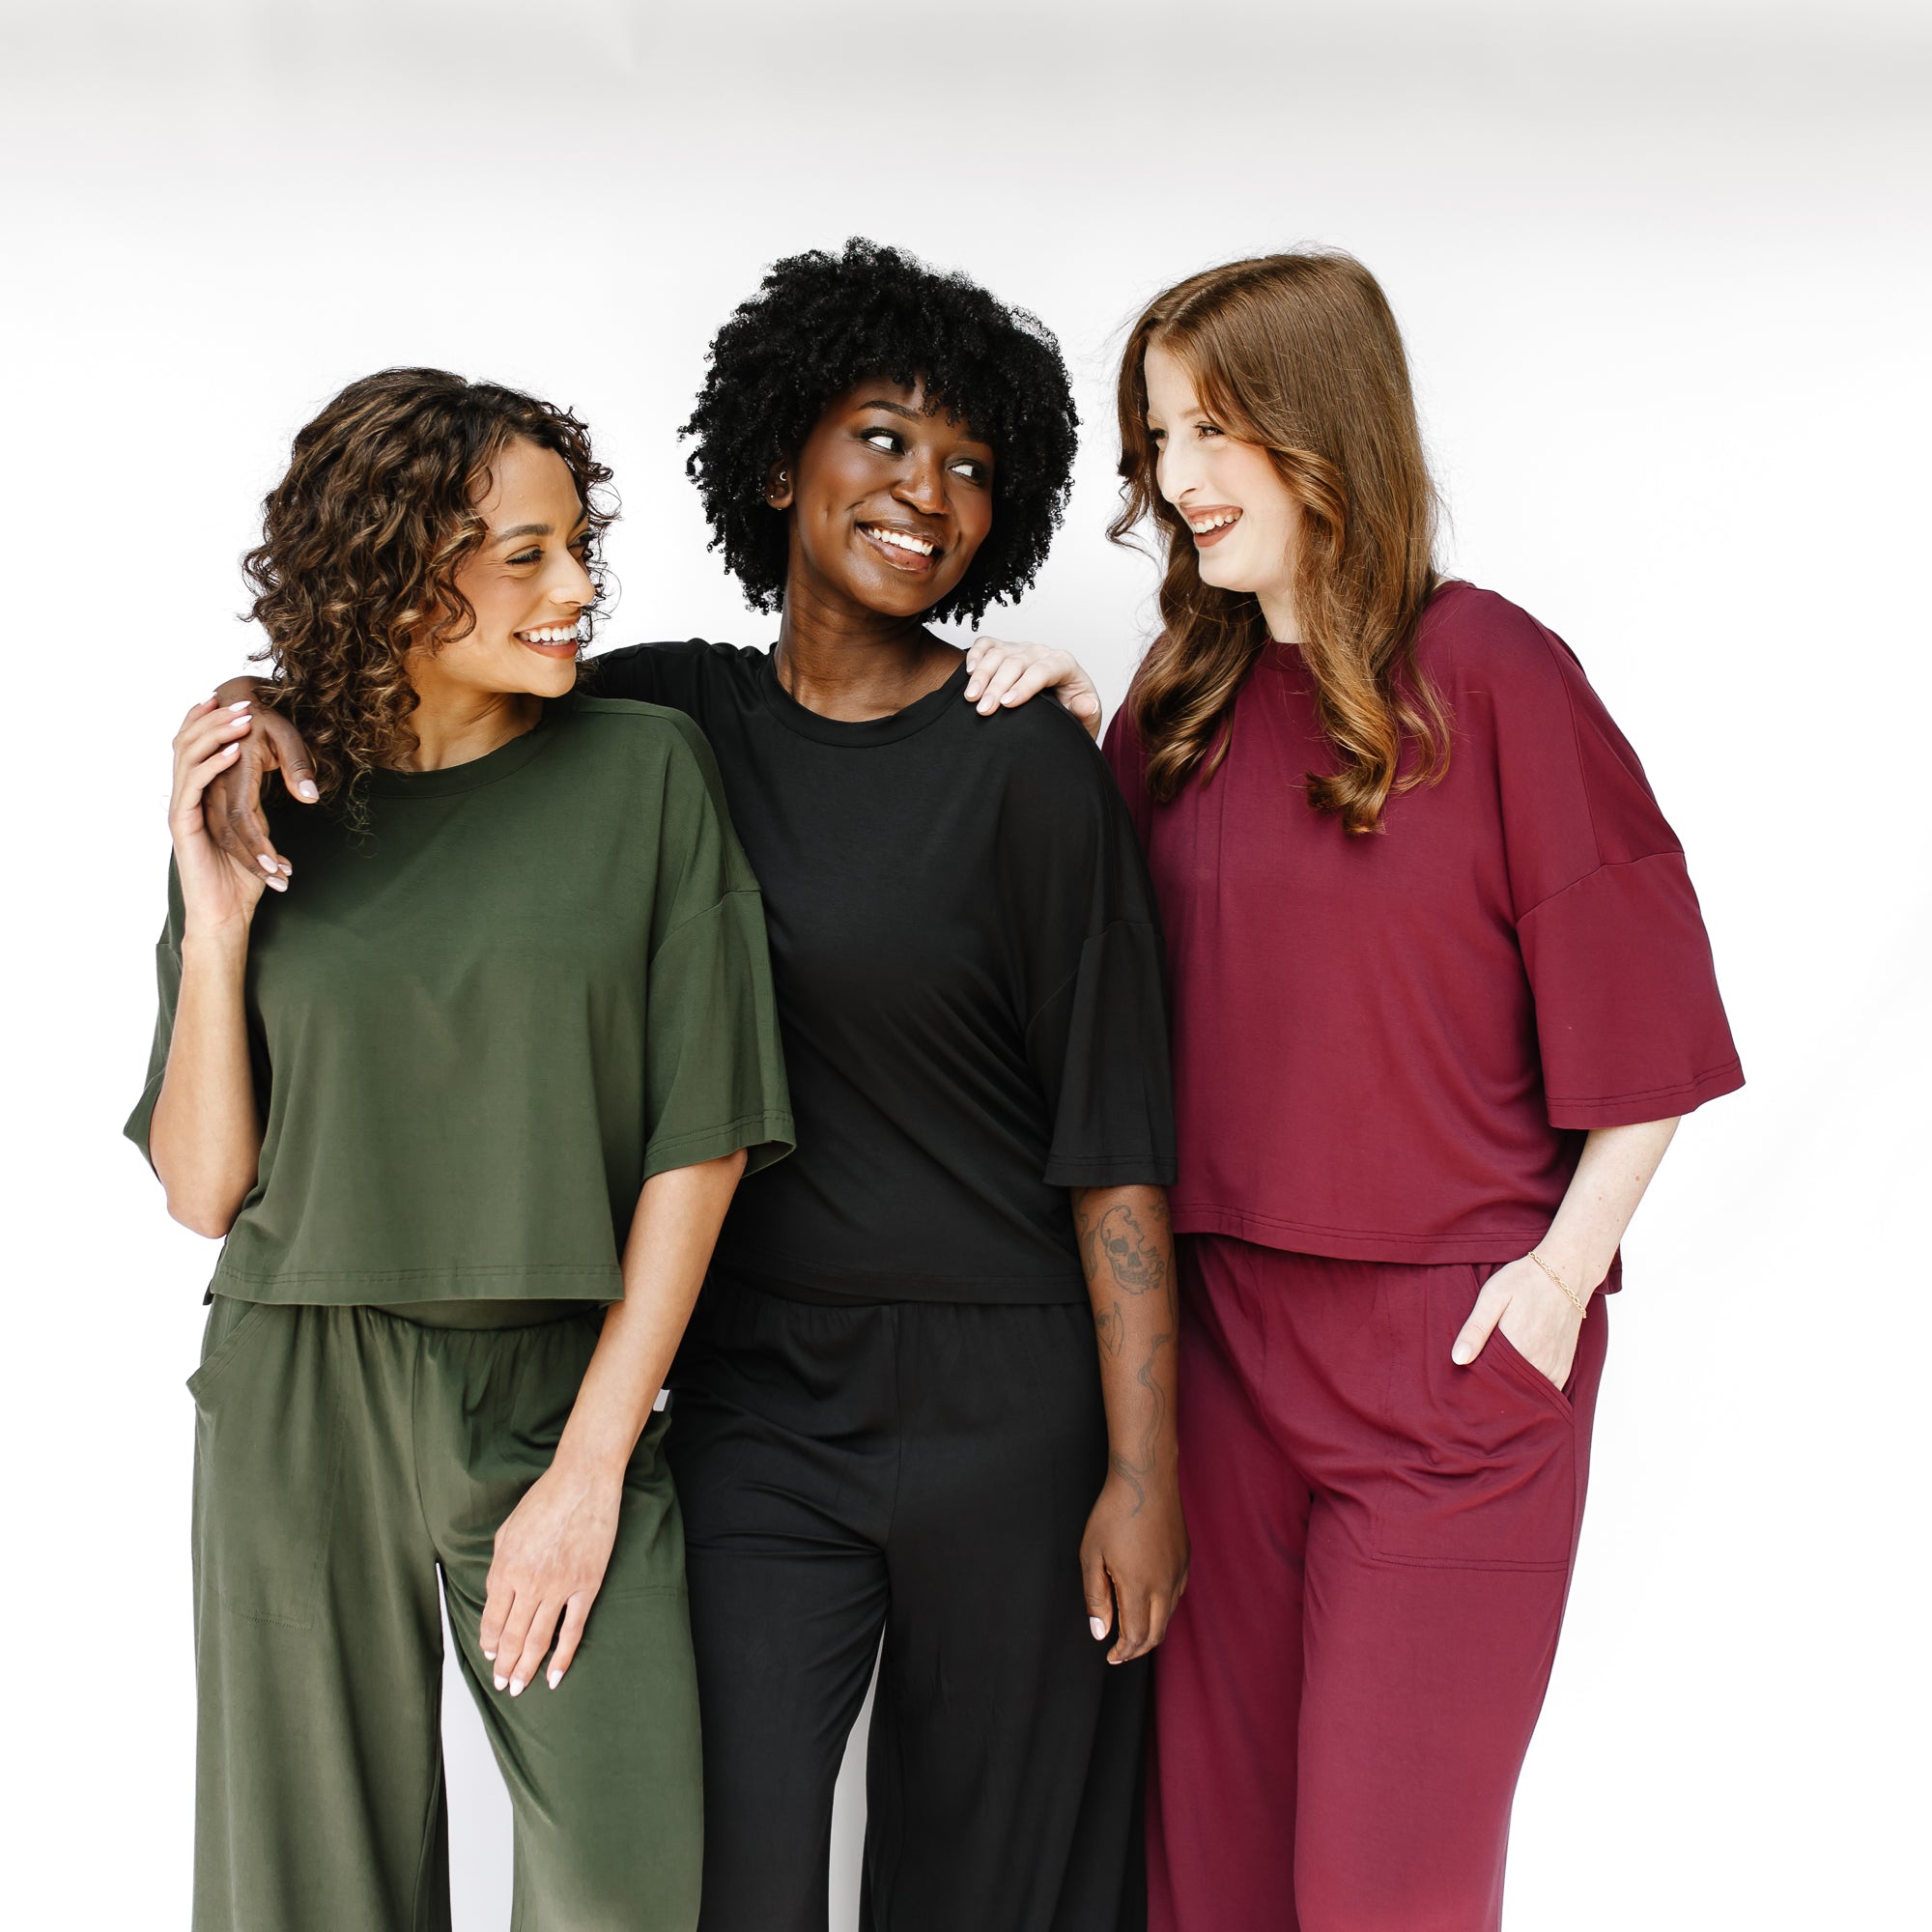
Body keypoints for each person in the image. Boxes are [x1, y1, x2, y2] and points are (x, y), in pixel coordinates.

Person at [208, 242, 1186, 1932]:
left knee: (986, 1887)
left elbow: (1115, 1147)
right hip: (753, 1407)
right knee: (711, 1877)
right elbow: (432, 700)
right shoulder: (654, 718)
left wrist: (1144, 1467)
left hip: (1004, 1399)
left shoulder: (1025, 767)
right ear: (778, 457)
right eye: (884, 439)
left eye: (971, 467)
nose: (925, 492)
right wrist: (247, 728)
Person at [973, 250, 1744, 1932]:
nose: (1173, 480)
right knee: (1218, 1885)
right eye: (1155, 437)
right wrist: (1069, 732)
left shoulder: (1494, 676)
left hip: (1445, 1372)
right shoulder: (1175, 707)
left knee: (1384, 1890)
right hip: (1223, 1363)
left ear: (1322, 429)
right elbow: (1111, 990)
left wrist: (1554, 1282)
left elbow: (1652, 1037)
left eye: (1211, 429)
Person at [129, 368, 794, 1932]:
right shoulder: (269, 806)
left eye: (579, 549)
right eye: (524, 554)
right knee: (305, 1888)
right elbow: (204, 1189)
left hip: (562, 1384)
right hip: (299, 1379)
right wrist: (217, 925)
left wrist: (588, 1465)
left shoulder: (644, 774)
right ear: (393, 566)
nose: (576, 591)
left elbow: (698, 1148)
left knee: (623, 1886)